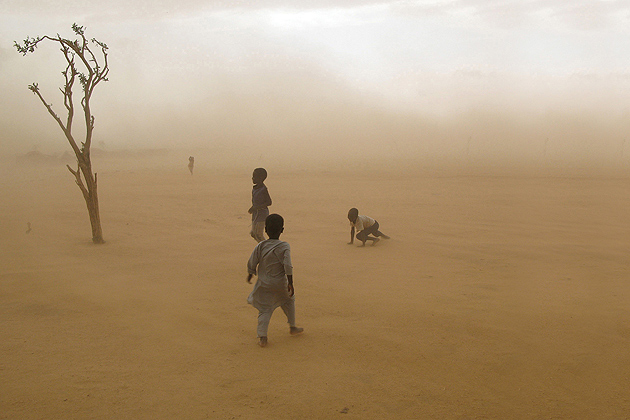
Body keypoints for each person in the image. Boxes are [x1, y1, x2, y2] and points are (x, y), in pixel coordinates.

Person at [247, 214, 303, 347]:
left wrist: (251, 273)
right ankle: (293, 327)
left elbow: (252, 261)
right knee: (289, 301)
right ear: (282, 230)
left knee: (265, 309)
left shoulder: (261, 245)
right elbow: (287, 265)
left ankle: (262, 337)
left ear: (265, 230)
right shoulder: (284, 246)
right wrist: (290, 283)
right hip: (280, 283)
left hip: (264, 283)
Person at [248, 167, 272, 242]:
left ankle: (266, 247)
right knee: (253, 233)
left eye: (254, 177)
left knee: (258, 234)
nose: (252, 178)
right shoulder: (255, 188)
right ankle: (262, 246)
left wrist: (256, 208)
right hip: (256, 214)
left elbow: (269, 202)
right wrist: (253, 208)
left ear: (261, 178)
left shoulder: (263, 189)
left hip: (262, 214)